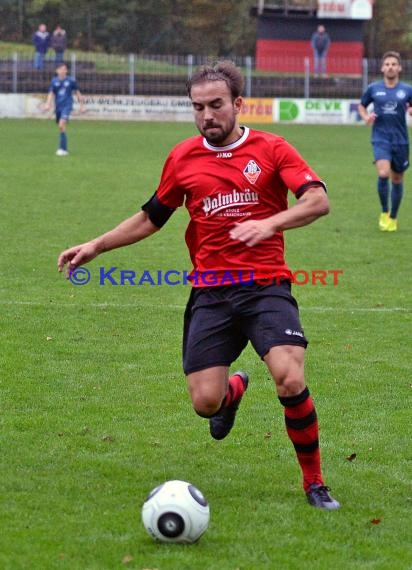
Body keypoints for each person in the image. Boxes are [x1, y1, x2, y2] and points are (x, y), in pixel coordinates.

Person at [57, 60, 340, 510]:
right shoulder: (183, 157)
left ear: (238, 104)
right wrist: (96, 245)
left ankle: (315, 483)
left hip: (266, 285)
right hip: (211, 292)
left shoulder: (272, 148)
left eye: (216, 105)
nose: (207, 115)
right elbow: (152, 217)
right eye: (198, 107)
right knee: (205, 402)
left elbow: (317, 201)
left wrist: (270, 224)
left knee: (289, 377)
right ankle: (233, 391)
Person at [358, 51, 412, 232]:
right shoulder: (374, 88)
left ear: (399, 68)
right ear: (382, 68)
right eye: (387, 64)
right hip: (380, 138)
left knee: (397, 179)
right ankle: (384, 211)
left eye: (393, 64)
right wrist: (366, 117)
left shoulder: (407, 90)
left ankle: (393, 217)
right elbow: (361, 105)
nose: (390, 67)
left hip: (401, 140)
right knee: (383, 173)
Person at [44, 63, 85, 156]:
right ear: (57, 71)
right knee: (61, 128)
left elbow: (78, 93)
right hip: (58, 107)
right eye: (61, 69)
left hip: (67, 106)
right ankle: (64, 148)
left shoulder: (71, 80)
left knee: (61, 125)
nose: (63, 71)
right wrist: (48, 104)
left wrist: (82, 106)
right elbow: (51, 93)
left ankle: (62, 149)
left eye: (65, 69)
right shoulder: (54, 81)